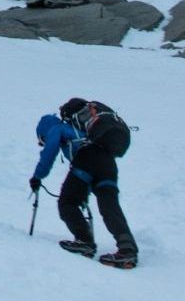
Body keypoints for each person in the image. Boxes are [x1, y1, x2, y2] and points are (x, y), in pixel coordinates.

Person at [29, 102, 138, 268]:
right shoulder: (87, 132)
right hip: (108, 162)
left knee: (67, 202)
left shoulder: (56, 128)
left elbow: (49, 154)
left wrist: (37, 177)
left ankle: (85, 242)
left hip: (87, 159)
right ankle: (127, 249)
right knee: (110, 206)